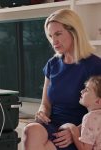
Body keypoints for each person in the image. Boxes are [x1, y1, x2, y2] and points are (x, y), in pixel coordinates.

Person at [23, 8, 101, 150]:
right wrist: (42, 113)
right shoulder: (52, 64)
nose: (54, 41)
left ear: (74, 32)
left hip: (80, 130)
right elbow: (45, 104)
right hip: (52, 124)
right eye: (51, 36)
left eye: (58, 34)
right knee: (31, 131)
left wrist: (75, 131)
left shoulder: (95, 65)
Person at [61, 75, 101, 150]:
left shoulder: (90, 117)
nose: (82, 91)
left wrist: (72, 128)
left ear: (98, 101)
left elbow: (85, 149)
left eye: (87, 90)